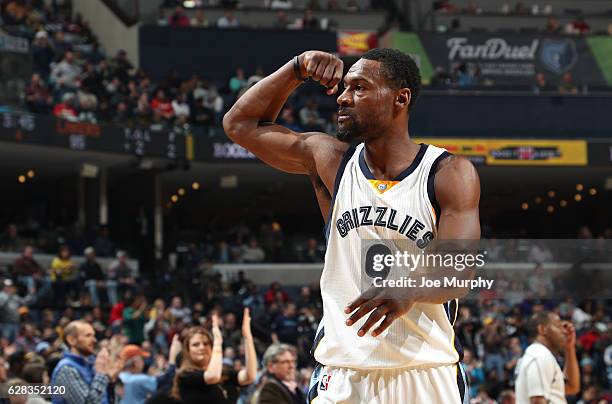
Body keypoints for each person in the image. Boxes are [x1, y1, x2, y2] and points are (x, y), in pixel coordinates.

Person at [223, 48, 480, 403]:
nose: (343, 97)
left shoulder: (447, 172)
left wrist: (407, 291)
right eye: (344, 87)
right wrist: (296, 69)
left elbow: (458, 270)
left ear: (400, 98)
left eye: (359, 88)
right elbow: (240, 125)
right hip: (342, 372)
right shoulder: (330, 160)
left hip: (424, 371)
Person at [171, 309, 257, 403]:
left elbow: (249, 376)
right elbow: (213, 376)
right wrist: (217, 342)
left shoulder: (224, 370)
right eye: (196, 345)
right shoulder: (185, 375)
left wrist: (247, 337)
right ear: (188, 351)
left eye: (206, 343)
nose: (202, 347)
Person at [50, 320, 123, 404]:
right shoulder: (66, 369)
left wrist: (110, 380)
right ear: (71, 340)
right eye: (88, 336)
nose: (94, 340)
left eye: (94, 336)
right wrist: (101, 374)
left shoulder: (92, 365)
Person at [514, 311, 580, 404]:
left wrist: (569, 348)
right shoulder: (540, 355)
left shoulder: (536, 354)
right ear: (542, 329)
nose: (564, 331)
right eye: (558, 326)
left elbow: (572, 387)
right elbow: (537, 400)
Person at [118, 335, 181, 404]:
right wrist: (173, 356)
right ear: (135, 361)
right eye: (142, 358)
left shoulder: (120, 376)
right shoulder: (136, 379)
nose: (143, 362)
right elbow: (167, 380)